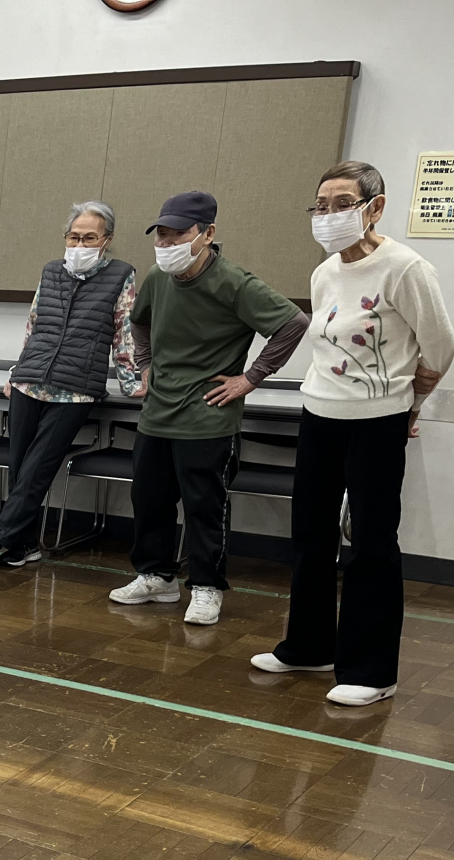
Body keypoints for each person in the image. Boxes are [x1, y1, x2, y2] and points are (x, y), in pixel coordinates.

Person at [250, 161, 454, 706]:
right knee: (310, 534)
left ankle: (371, 670)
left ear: (375, 207)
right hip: (320, 413)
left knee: (370, 542)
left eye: (343, 204)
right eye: (321, 205)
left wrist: (412, 403)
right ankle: (308, 646)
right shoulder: (324, 273)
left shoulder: (406, 269)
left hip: (377, 420)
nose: (329, 215)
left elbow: (440, 346)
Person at [110, 190, 309, 625]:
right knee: (149, 499)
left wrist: (250, 378)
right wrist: (145, 364)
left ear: (208, 234)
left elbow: (293, 323)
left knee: (205, 506)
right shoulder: (158, 278)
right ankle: (156, 577)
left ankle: (206, 586)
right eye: (161, 236)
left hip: (208, 414)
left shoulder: (234, 282)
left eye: (178, 235)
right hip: (158, 412)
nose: (166, 244)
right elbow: (138, 322)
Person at [0, 201, 142, 570]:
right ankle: (23, 546)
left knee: (37, 468)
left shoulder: (121, 274)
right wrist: (17, 371)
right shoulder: (51, 271)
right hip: (30, 381)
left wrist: (130, 381)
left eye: (89, 238)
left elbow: (124, 331)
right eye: (74, 237)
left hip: (75, 387)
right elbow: (34, 325)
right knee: (19, 468)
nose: (79, 245)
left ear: (107, 240)